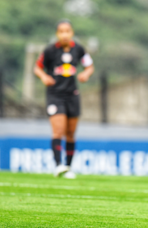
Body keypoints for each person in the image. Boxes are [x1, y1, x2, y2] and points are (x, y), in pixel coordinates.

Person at [34, 19, 94, 179]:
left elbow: (89, 65)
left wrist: (85, 74)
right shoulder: (50, 51)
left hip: (72, 95)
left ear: (72, 32)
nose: (64, 34)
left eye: (67, 31)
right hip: (55, 95)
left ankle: (68, 167)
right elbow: (37, 67)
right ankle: (58, 165)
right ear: (57, 34)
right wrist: (44, 77)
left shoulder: (79, 49)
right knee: (58, 130)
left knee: (70, 133)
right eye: (61, 31)